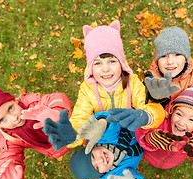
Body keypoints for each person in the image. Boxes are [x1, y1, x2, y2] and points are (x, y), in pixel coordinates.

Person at [68, 19, 165, 148]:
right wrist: (73, 133)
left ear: (121, 63)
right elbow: (79, 118)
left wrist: (146, 116)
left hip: (129, 139)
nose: (106, 69)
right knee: (79, 166)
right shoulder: (88, 90)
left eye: (112, 61)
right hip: (102, 141)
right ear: (90, 67)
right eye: (97, 63)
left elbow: (152, 107)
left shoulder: (133, 83)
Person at [43, 111, 147, 179]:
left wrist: (103, 124)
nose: (100, 160)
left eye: (93, 156)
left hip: (138, 118)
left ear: (93, 147)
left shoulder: (101, 139)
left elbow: (110, 121)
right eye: (97, 167)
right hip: (147, 141)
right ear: (102, 173)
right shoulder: (114, 173)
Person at [135, 83, 193, 171]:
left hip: (171, 164)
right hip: (149, 155)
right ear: (171, 111)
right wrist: (150, 137)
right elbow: (140, 128)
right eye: (179, 114)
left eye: (191, 120)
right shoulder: (160, 120)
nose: (181, 123)